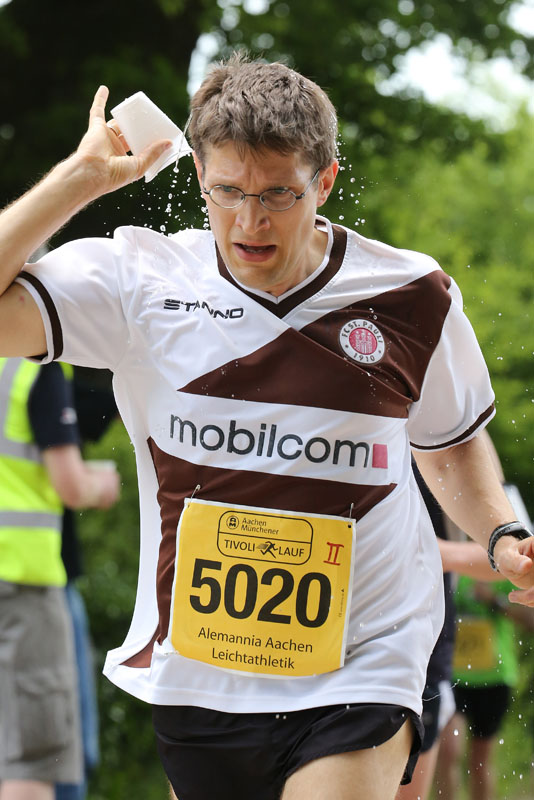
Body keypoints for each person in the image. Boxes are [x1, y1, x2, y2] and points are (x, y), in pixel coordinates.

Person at [0, 54, 533, 800]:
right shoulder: (141, 280)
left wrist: (503, 535)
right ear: (198, 176)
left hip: (363, 659)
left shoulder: (410, 295)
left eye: (278, 194)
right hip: (203, 670)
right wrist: (80, 179)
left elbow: (450, 443)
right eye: (226, 192)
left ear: (325, 181)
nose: (249, 220)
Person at [0, 358, 119, 800]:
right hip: (21, 582)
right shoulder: (33, 368)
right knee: (36, 759)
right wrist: (101, 484)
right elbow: (71, 485)